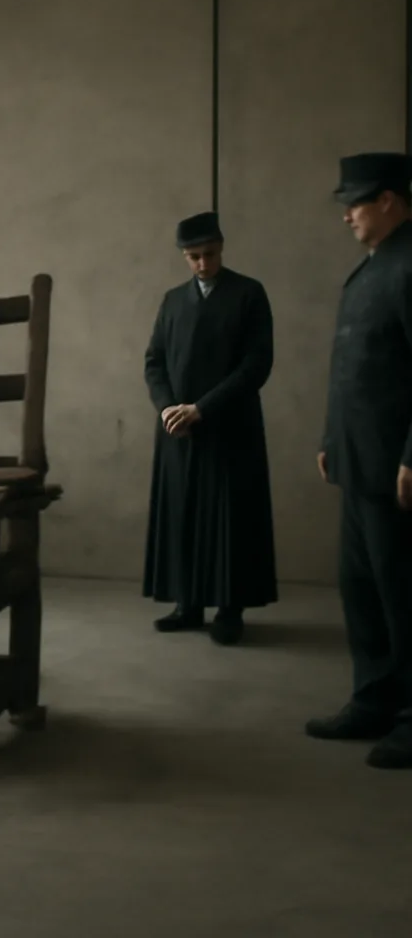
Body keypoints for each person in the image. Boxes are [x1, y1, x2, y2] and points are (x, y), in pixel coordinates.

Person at [306, 152, 412, 770]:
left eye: (357, 202)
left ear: (391, 201)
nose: (347, 214)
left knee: (403, 594)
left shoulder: (409, 267)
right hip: (358, 461)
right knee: (362, 589)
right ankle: (372, 700)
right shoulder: (371, 269)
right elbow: (353, 369)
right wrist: (329, 439)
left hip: (396, 468)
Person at [142, 211, 278, 644]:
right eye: (195, 256)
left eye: (211, 254)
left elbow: (256, 364)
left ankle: (229, 609)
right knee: (183, 514)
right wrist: (167, 409)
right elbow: (154, 361)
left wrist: (202, 409)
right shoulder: (172, 301)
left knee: (229, 519)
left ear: (222, 248)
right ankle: (188, 604)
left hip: (229, 425)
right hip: (177, 430)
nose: (204, 264)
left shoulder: (249, 294)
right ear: (184, 256)